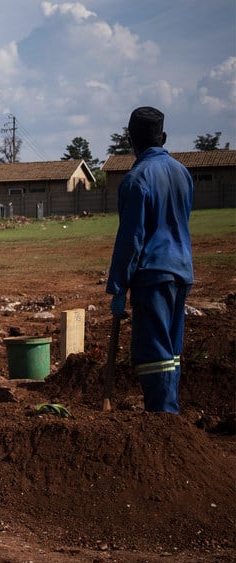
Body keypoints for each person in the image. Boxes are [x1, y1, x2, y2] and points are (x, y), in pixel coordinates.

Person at [106, 106, 193, 413]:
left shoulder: (136, 179)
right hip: (181, 270)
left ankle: (162, 416)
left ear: (130, 140)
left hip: (153, 274)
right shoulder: (182, 173)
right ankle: (170, 411)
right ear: (163, 137)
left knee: (155, 352)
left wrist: (118, 287)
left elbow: (131, 239)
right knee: (171, 350)